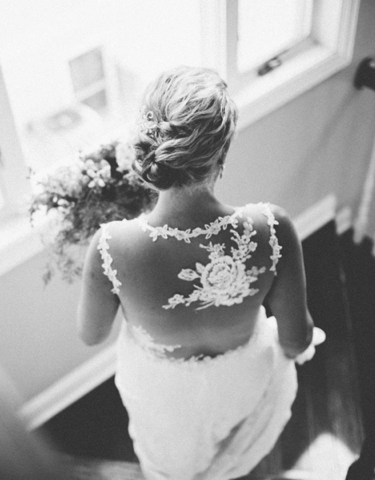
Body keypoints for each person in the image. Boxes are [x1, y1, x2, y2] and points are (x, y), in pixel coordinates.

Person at [77, 66, 324, 480]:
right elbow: (296, 340)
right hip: (241, 384)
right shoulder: (273, 228)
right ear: (222, 153)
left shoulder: (110, 247)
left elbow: (92, 334)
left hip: (163, 398)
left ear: (148, 148)